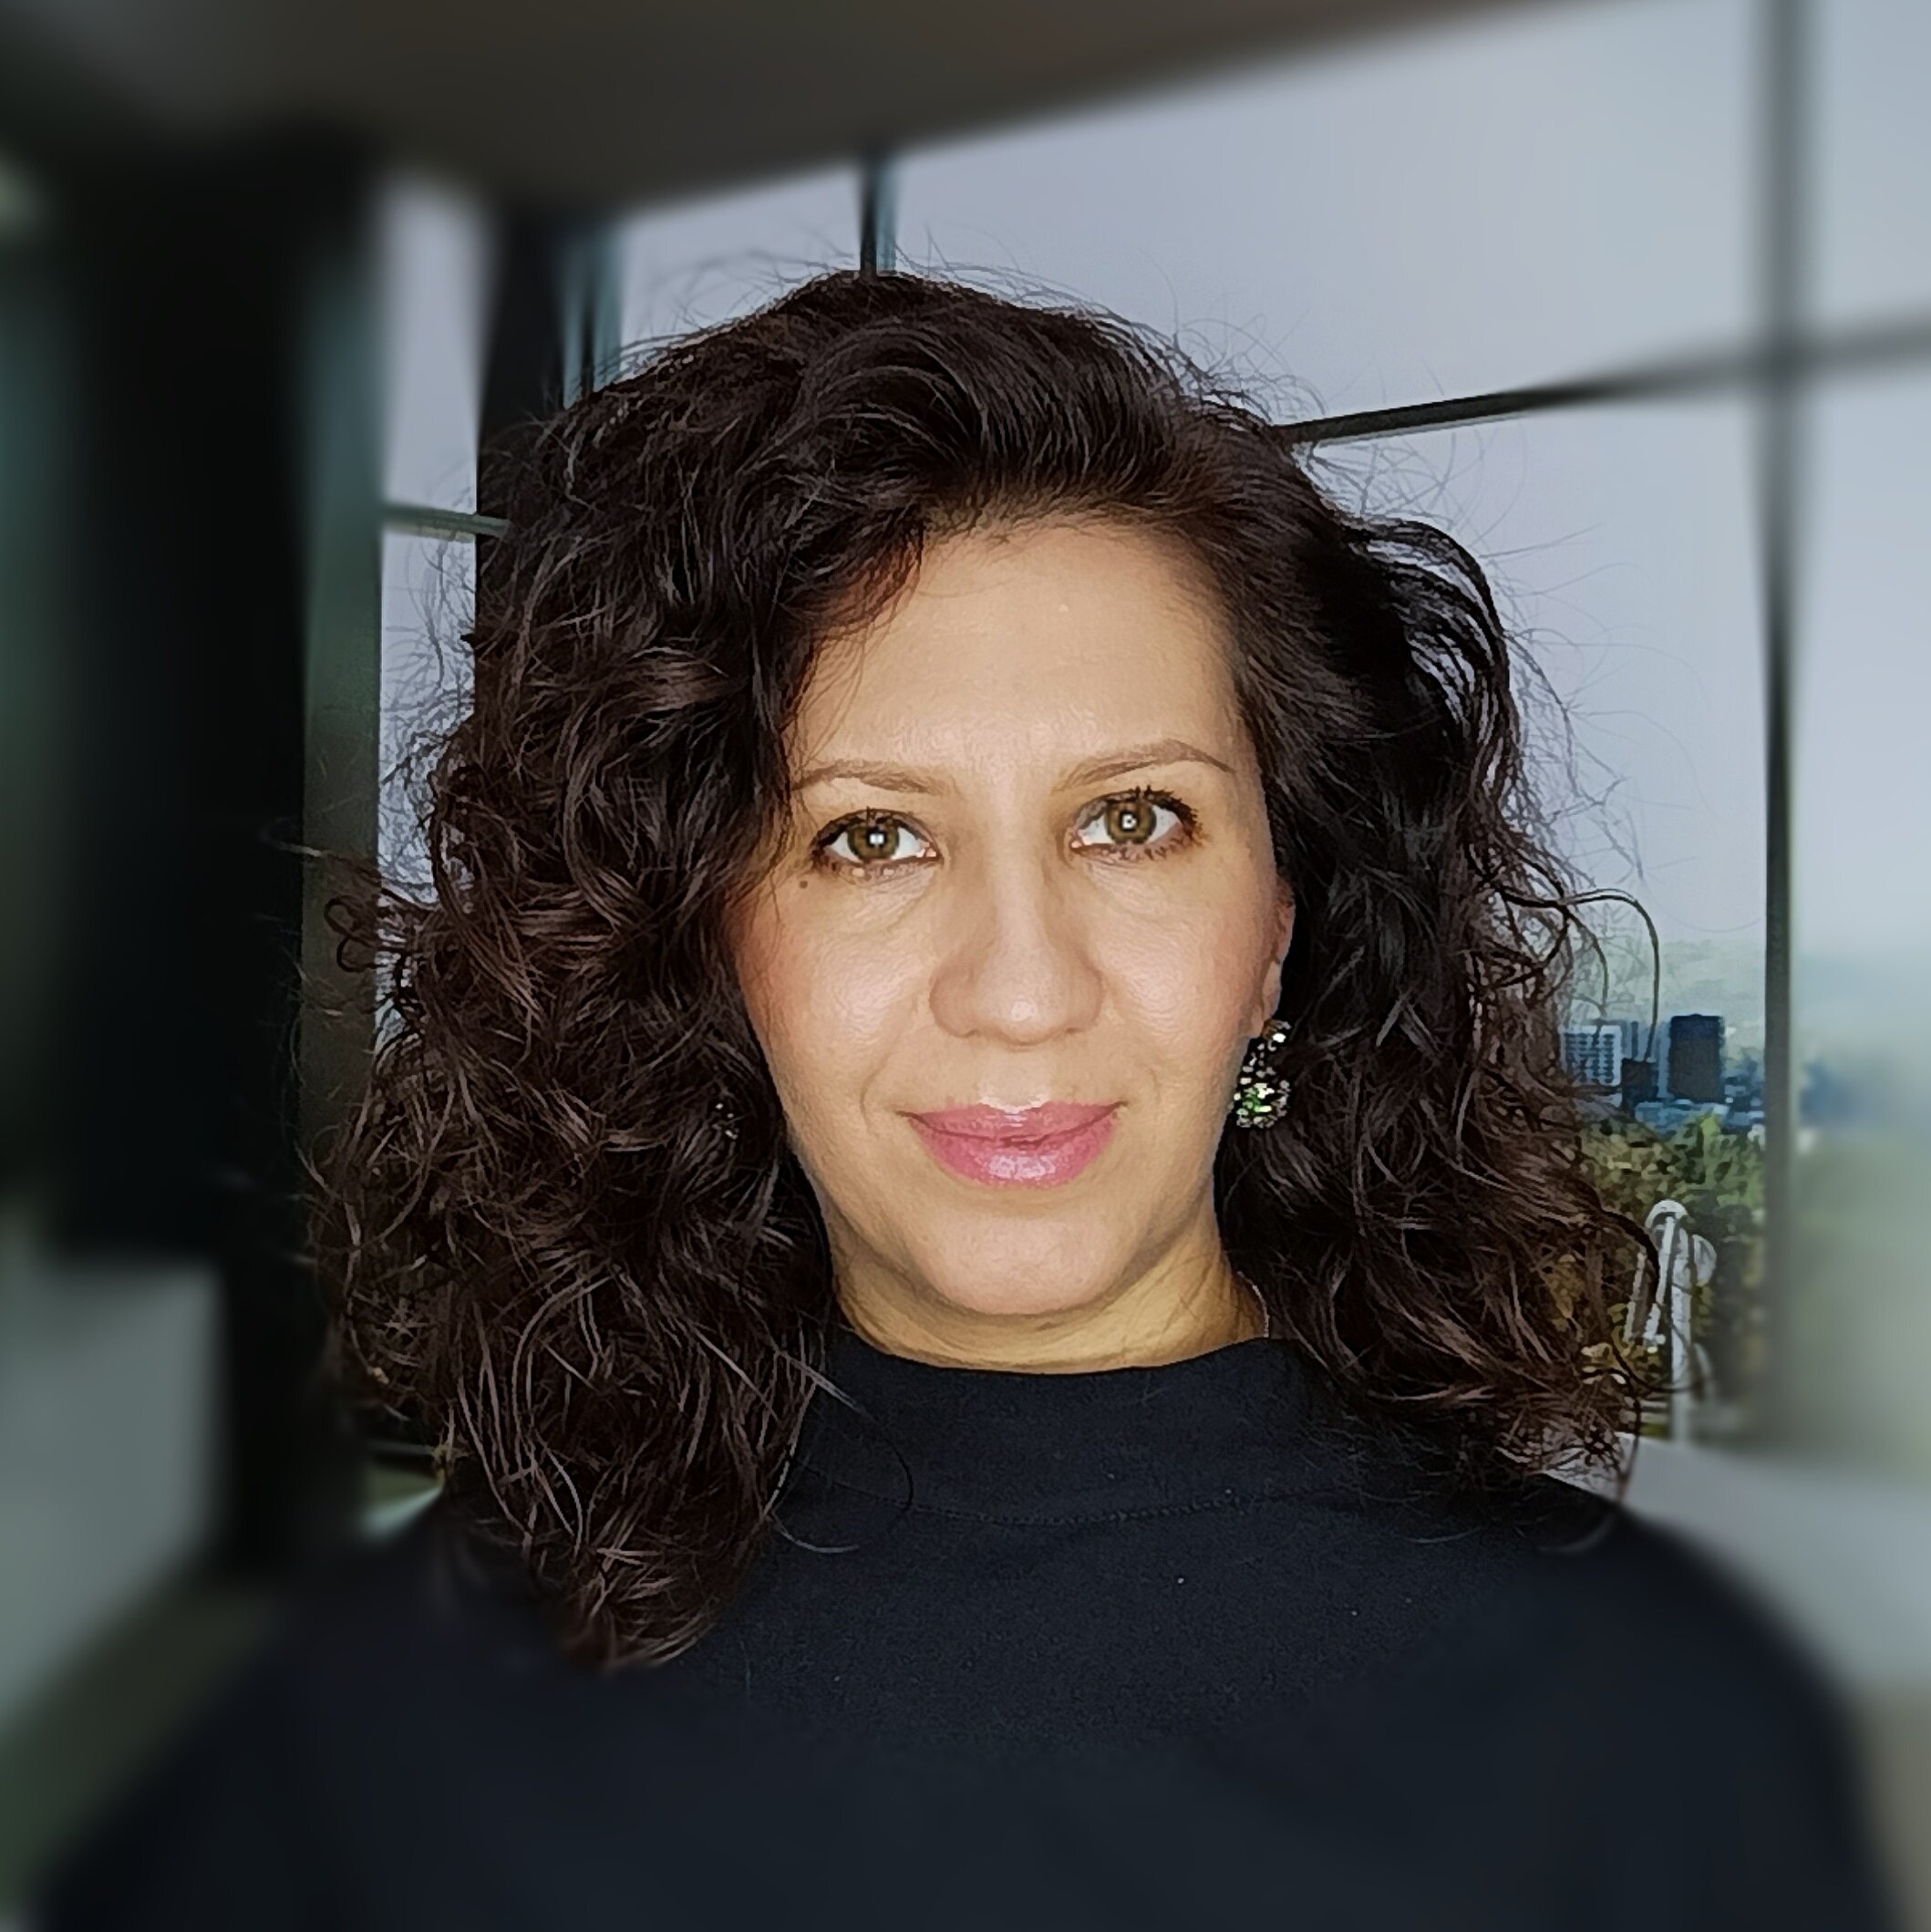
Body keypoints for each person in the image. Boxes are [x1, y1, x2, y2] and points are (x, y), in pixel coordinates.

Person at [34, 267, 1901, 1929]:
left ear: (1278, 932)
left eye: (1131, 820)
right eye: (870, 838)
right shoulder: (390, 1721)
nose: (1019, 987)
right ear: (711, 942)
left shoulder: (1645, 1732)